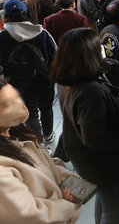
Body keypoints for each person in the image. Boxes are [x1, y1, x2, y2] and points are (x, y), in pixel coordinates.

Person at [51, 28, 119, 224]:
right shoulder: (89, 91)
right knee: (115, 206)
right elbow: (94, 136)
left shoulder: (69, 80)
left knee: (104, 198)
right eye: (98, 46)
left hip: (88, 161)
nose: (103, 48)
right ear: (88, 54)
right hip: (105, 165)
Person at [0, 79, 82, 224]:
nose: (19, 104)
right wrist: (66, 206)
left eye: (15, 96)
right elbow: (29, 215)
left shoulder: (16, 132)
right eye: (7, 104)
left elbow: (42, 161)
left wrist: (65, 178)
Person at [0, 0, 57, 142]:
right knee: (46, 107)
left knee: (31, 113)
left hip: (18, 83)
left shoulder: (2, 37)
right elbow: (55, 56)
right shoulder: (42, 33)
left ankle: (39, 143)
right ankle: (49, 134)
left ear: (5, 16)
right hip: (44, 80)